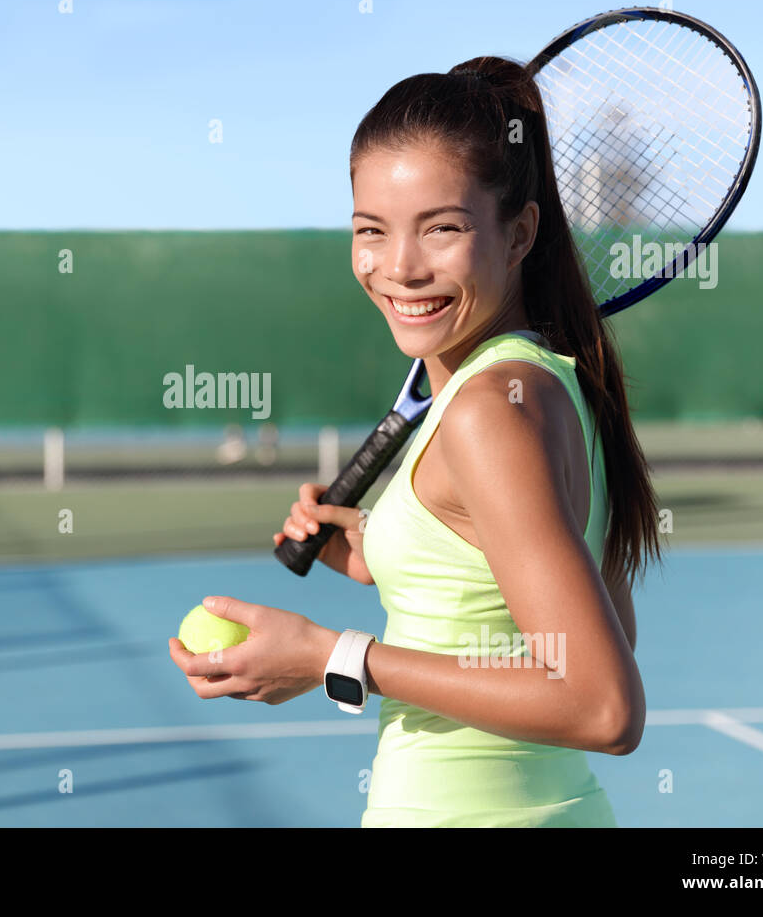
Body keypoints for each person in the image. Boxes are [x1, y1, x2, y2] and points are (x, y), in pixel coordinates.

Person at [168, 56, 658, 827]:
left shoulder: (488, 410)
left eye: (443, 229)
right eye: (372, 230)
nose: (399, 267)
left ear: (519, 232)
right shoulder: (547, 385)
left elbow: (602, 705)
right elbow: (573, 622)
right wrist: (388, 550)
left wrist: (331, 657)